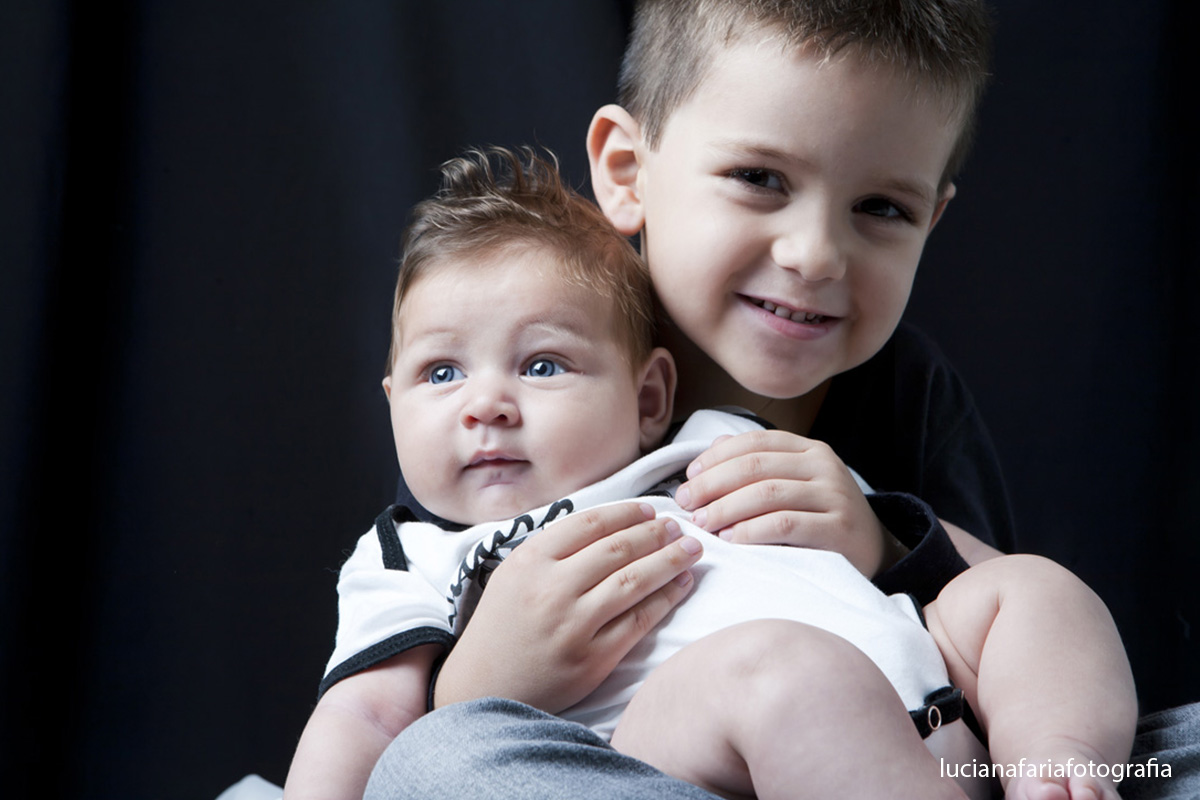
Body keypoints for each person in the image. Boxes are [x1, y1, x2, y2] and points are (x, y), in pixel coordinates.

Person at [283, 146, 1136, 800]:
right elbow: (364, 715)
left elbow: (969, 573)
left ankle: (1057, 770)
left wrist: (879, 535)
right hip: (695, 746)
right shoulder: (414, 554)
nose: (486, 405)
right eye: (441, 374)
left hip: (945, 719)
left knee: (1033, 591)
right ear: (391, 400)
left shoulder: (713, 440)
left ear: (650, 395)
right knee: (774, 671)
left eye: (543, 366)